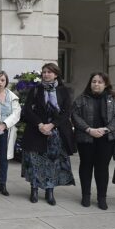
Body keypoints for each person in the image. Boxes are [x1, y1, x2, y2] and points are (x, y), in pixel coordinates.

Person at [22, 63, 76, 205]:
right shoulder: (35, 90)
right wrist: (40, 125)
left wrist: (51, 125)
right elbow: (27, 110)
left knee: (52, 162)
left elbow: (67, 111)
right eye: (44, 72)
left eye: (49, 72)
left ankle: (49, 191)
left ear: (56, 74)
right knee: (35, 162)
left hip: (55, 132)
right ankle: (34, 189)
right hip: (36, 131)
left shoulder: (64, 91)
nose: (46, 74)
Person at [71, 72, 115, 209]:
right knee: (86, 166)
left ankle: (102, 198)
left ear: (106, 84)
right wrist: (89, 129)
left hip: (106, 138)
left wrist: (106, 129)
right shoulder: (81, 99)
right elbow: (75, 115)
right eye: (94, 81)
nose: (96, 84)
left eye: (100, 82)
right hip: (86, 137)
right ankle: (86, 196)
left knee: (102, 168)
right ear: (90, 83)